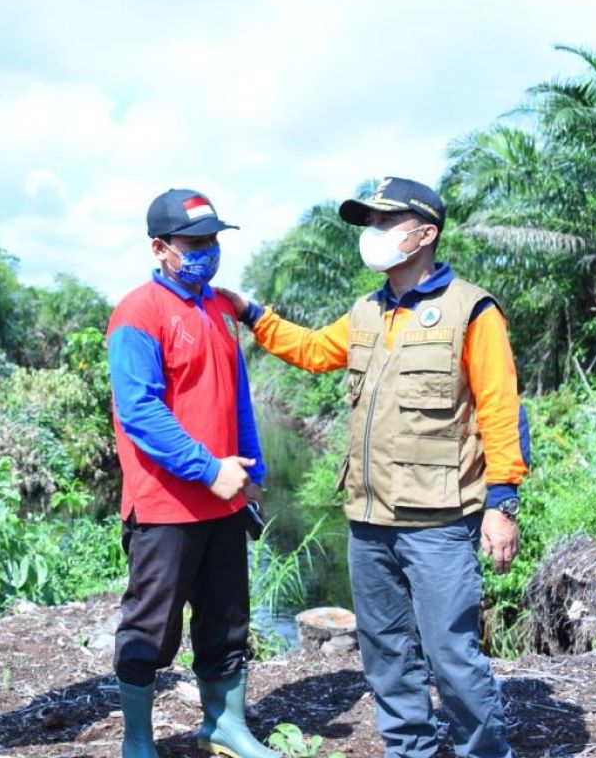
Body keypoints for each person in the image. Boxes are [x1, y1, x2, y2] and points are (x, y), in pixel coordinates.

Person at [222, 177, 527, 758]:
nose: (374, 234)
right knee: (386, 649)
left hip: (439, 519)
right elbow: (313, 350)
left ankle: (483, 751)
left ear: (425, 233)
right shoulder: (366, 312)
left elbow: (500, 408)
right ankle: (408, 748)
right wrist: (251, 313)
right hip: (368, 516)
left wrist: (501, 503)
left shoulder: (472, 310)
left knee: (450, 653)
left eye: (386, 223)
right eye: (370, 223)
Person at [106, 188, 278, 758]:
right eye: (194, 242)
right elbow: (140, 411)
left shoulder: (220, 310)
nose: (207, 251)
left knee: (227, 623)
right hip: (165, 507)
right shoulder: (139, 313)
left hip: (226, 502)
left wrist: (249, 468)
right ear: (160, 248)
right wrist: (207, 469)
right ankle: (137, 739)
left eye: (212, 241)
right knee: (150, 630)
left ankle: (224, 725)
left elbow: (238, 400)